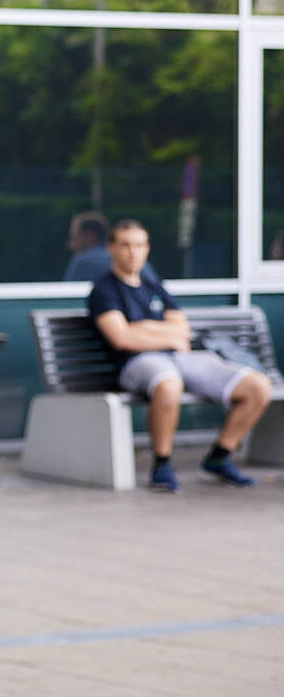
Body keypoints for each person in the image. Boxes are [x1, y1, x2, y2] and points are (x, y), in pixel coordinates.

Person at [88, 219, 268, 491]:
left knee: (258, 386)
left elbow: (182, 331)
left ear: (147, 248)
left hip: (182, 358)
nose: (132, 252)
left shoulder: (154, 286)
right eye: (125, 245)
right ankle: (162, 464)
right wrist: (163, 333)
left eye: (138, 245)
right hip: (137, 363)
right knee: (169, 385)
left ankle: (220, 457)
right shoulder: (104, 291)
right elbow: (121, 338)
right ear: (110, 248)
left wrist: (145, 328)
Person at [63, 210, 112, 282]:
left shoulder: (84, 262)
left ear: (90, 236)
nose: (69, 245)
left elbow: (67, 291)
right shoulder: (120, 257)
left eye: (73, 237)